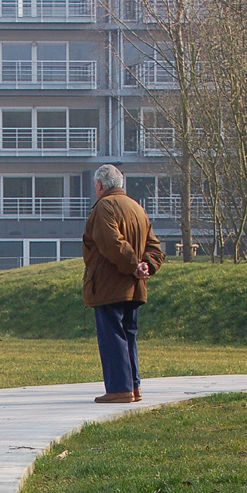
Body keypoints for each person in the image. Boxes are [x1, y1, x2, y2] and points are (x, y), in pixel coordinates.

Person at [81, 163, 165, 404]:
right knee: (129, 335)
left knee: (112, 337)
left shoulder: (104, 207)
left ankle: (119, 388)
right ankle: (134, 386)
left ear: (100, 185)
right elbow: (154, 246)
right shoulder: (137, 208)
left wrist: (133, 265)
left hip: (109, 285)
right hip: (134, 286)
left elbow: (111, 242)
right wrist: (147, 264)